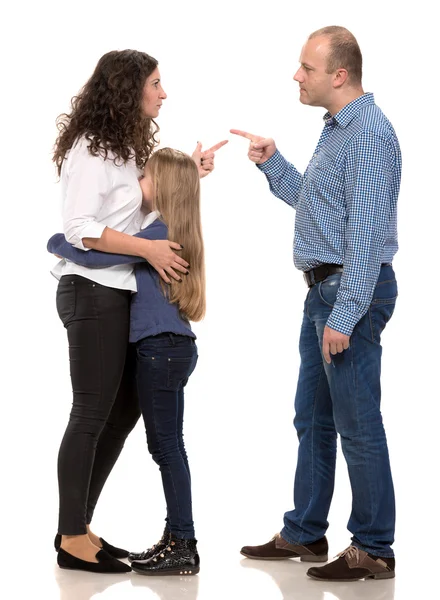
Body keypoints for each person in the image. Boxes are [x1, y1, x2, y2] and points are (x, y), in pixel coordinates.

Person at [231, 25, 400, 582]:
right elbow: (320, 208)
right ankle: (305, 532)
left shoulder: (369, 133)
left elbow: (369, 236)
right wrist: (272, 162)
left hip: (349, 293)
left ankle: (373, 546)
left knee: (357, 425)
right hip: (323, 293)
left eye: (306, 67)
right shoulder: (337, 130)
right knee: (313, 418)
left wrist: (345, 316)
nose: (296, 76)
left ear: (339, 74)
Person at [51, 49, 226, 573]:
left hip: (115, 291)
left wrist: (186, 174)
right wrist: (148, 249)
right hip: (92, 289)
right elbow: (80, 226)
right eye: (155, 82)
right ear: (130, 88)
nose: (163, 92)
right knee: (90, 414)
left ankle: (79, 527)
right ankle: (71, 537)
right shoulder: (91, 149)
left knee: (121, 413)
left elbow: (133, 211)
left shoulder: (122, 152)